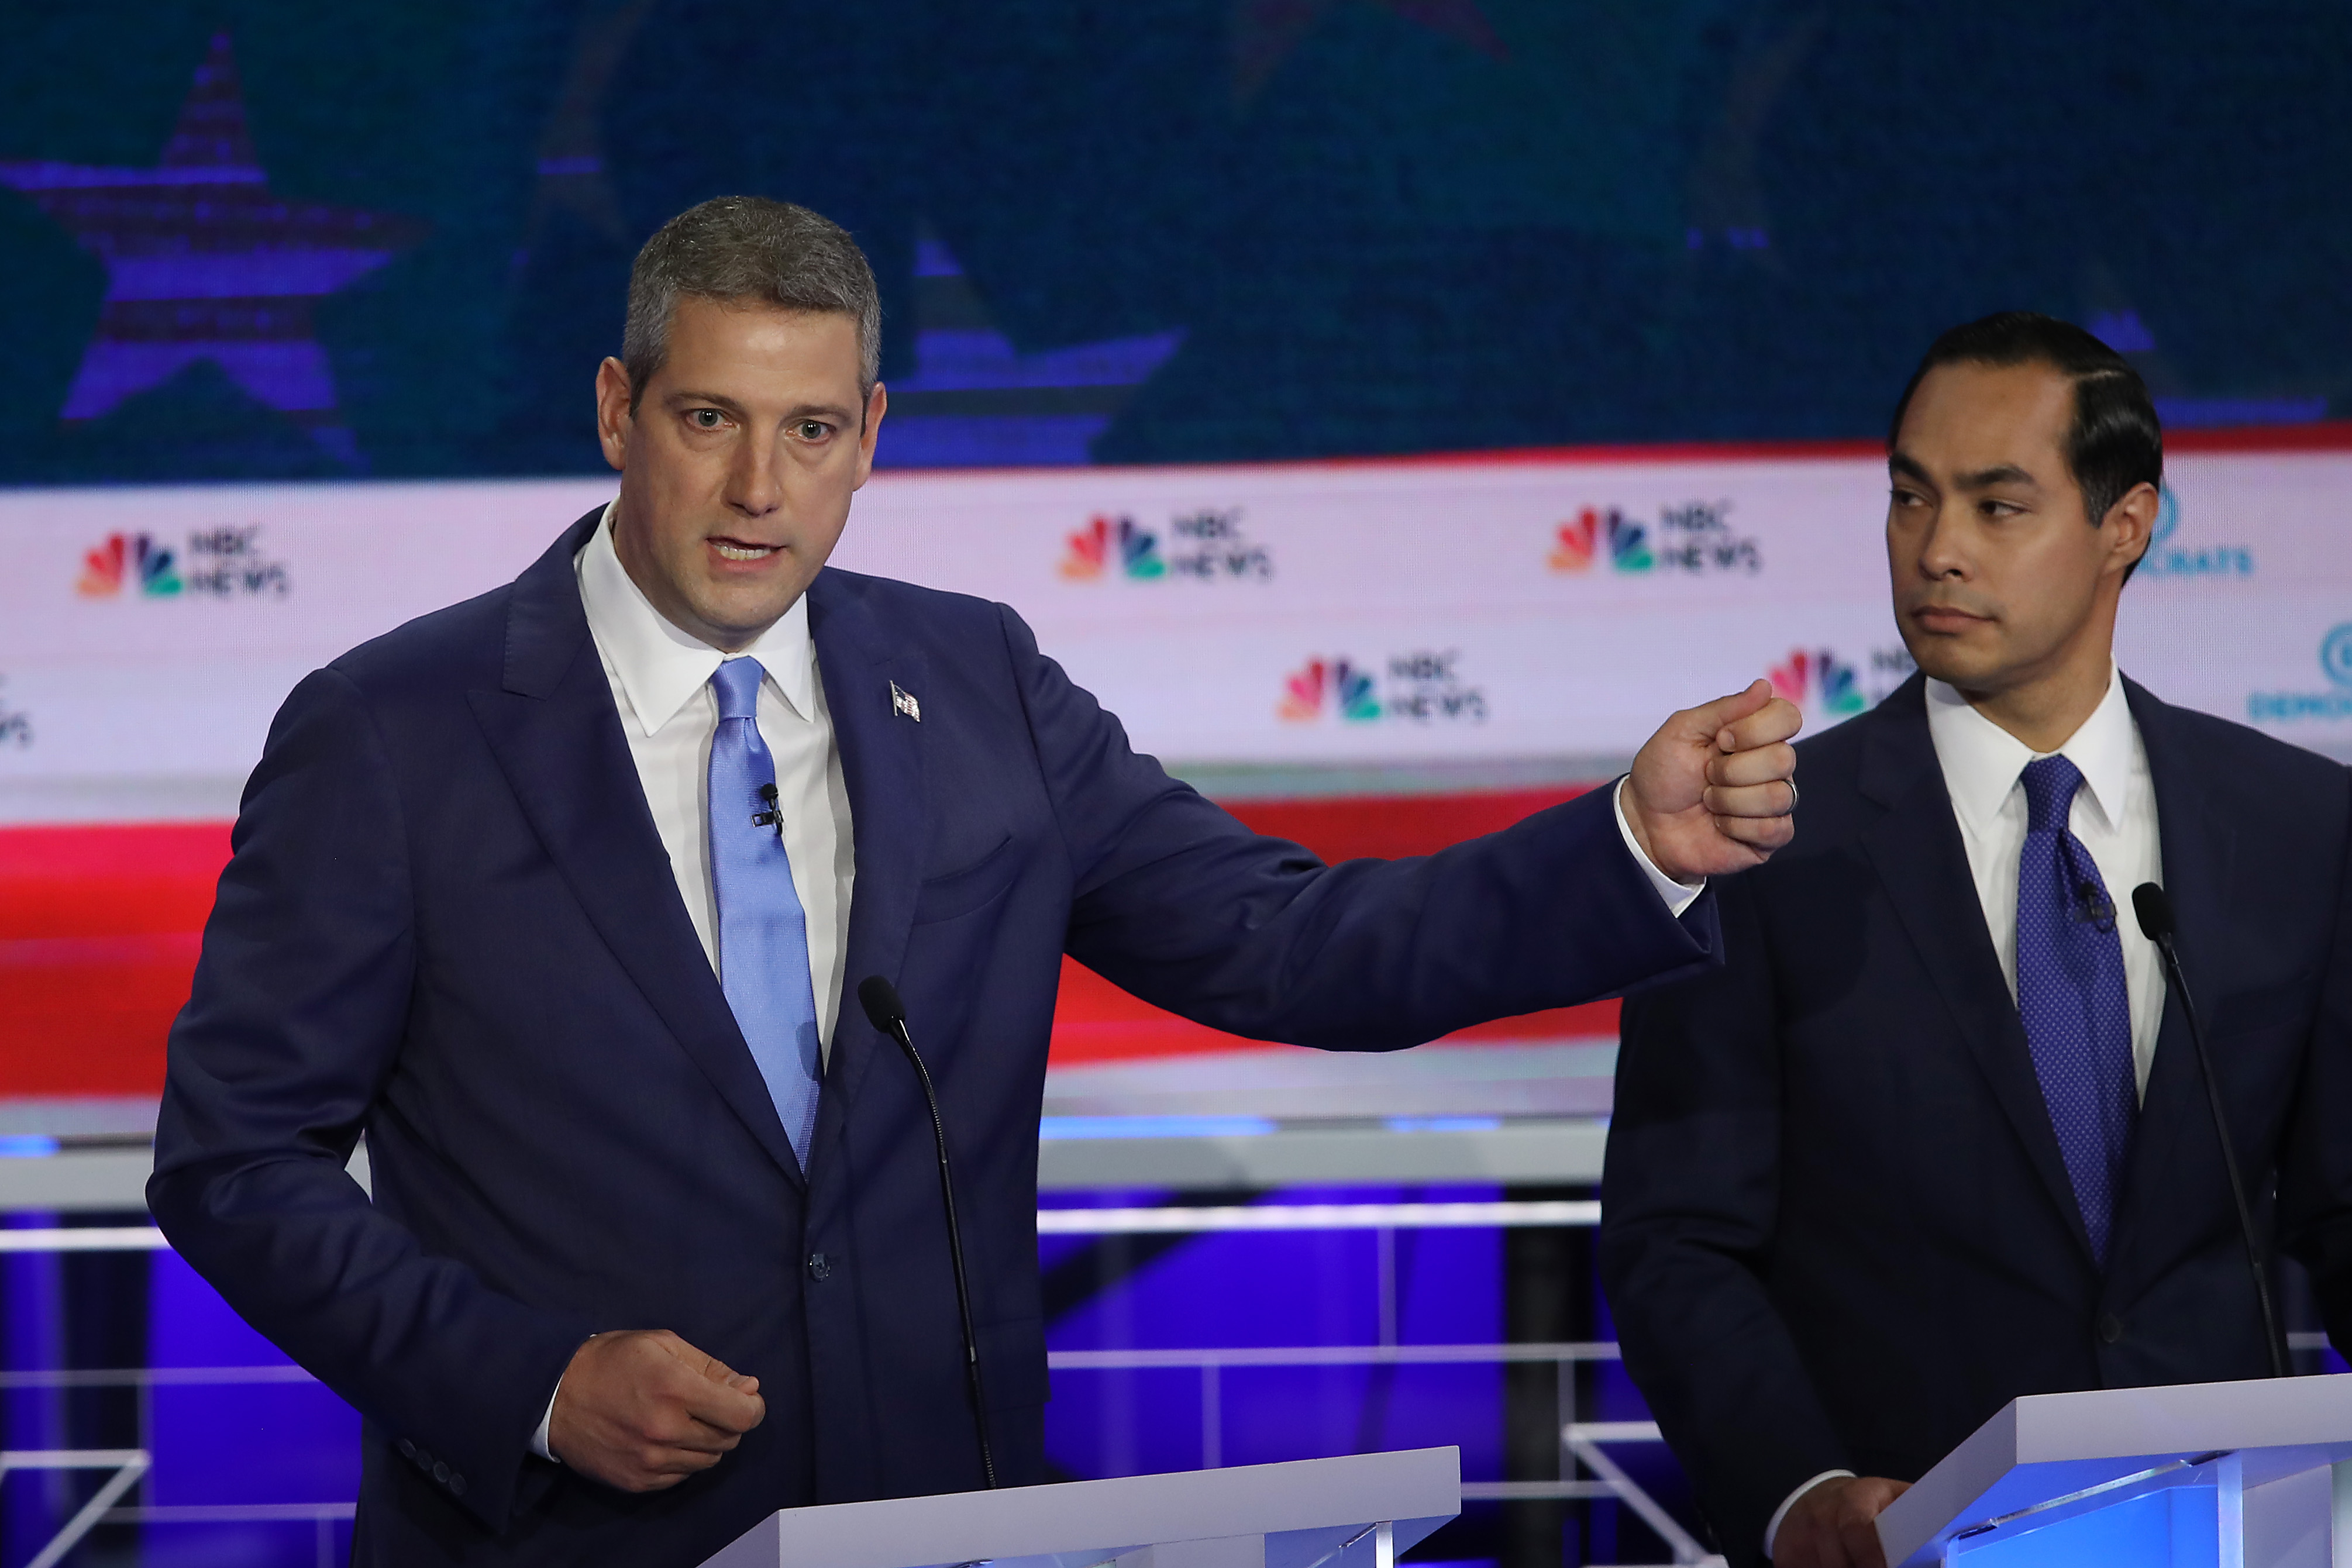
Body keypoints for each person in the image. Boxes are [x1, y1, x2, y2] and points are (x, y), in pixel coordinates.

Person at [148, 197, 1803, 1566]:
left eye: (809, 432)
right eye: (707, 420)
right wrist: (530, 1380)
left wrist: (1621, 847)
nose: (756, 490)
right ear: (614, 408)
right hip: (568, 1537)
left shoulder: (979, 681)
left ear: (870, 437)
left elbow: (1288, 943)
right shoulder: (393, 731)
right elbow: (235, 1160)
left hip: (938, 1528)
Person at [1599, 311, 2352, 1568]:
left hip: (2222, 1530)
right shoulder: (1760, 840)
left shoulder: (2296, 827)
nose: (1936, 550)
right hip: (1902, 1540)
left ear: (2126, 526)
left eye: (1997, 507)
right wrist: (1801, 1491)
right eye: (1910, 497)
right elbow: (1676, 1242)